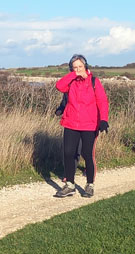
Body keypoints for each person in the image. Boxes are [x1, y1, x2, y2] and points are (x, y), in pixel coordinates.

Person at [53, 54, 110, 197]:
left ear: (86, 66)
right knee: (68, 153)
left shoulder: (94, 82)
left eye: (80, 66)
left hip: (89, 124)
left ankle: (90, 184)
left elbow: (102, 101)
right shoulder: (71, 82)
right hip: (71, 122)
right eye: (74, 67)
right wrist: (73, 75)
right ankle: (70, 185)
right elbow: (59, 86)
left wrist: (103, 120)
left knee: (87, 154)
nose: (78, 69)